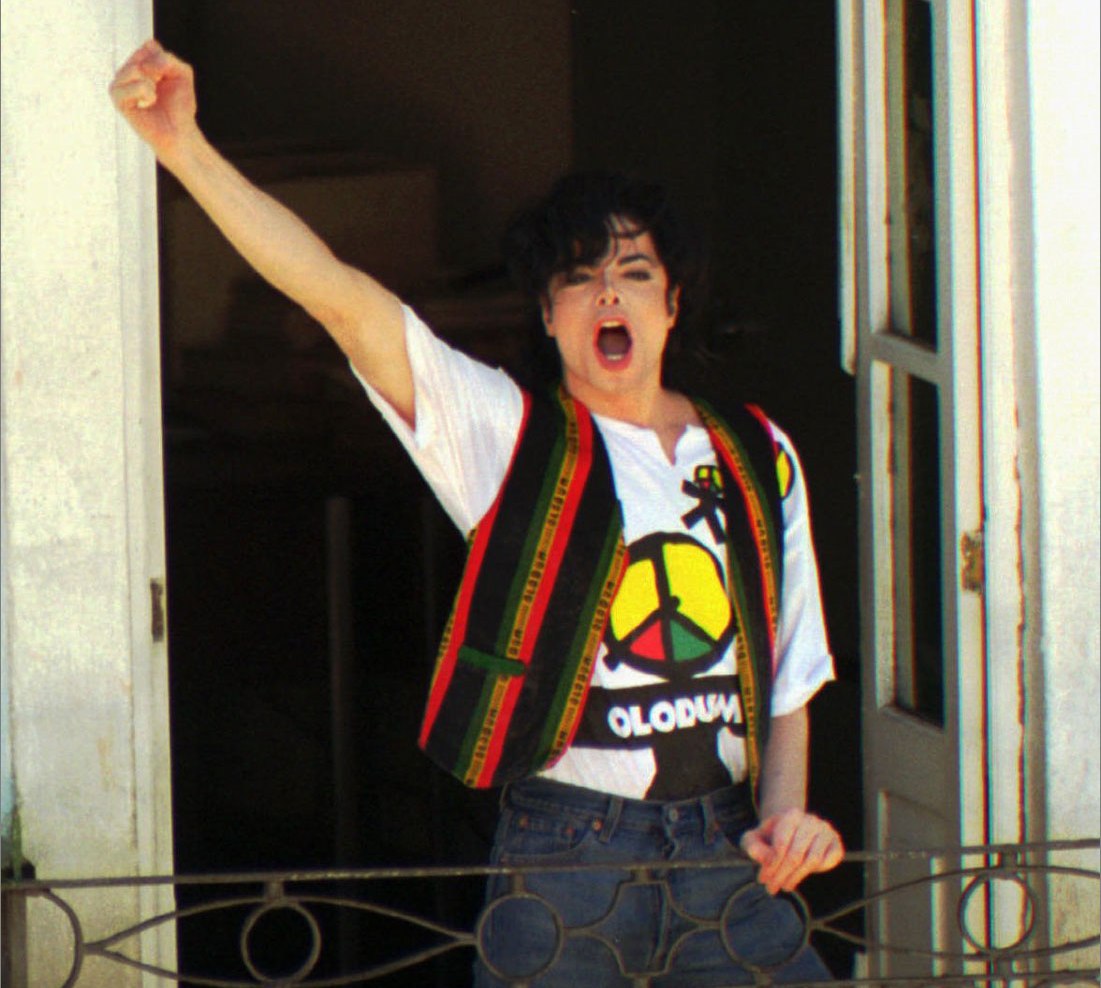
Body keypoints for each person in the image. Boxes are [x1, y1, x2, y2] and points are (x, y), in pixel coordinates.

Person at [111, 39, 844, 986]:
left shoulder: (753, 452)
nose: (607, 291)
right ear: (546, 314)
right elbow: (340, 300)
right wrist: (182, 147)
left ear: (671, 303)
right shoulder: (509, 436)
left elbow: (788, 679)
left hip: (728, 850)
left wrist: (785, 816)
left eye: (633, 271)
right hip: (570, 854)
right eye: (578, 276)